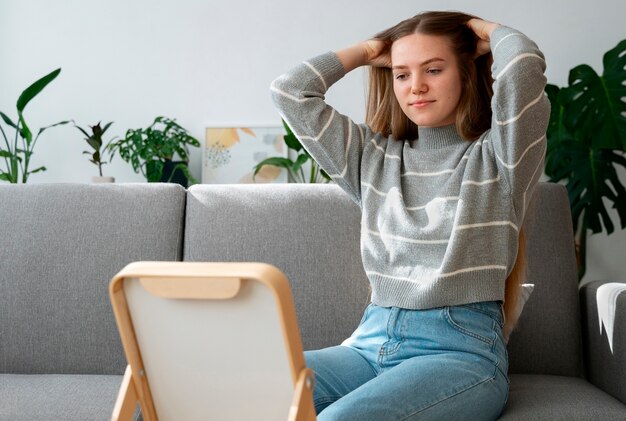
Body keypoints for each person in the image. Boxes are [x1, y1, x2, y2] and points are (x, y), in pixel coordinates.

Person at [271, 10, 549, 421]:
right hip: (367, 345)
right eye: (401, 74)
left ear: (467, 73)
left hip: (459, 354)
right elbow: (290, 91)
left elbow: (524, 66)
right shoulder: (371, 160)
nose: (416, 86)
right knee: (238, 389)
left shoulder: (500, 158)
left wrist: (484, 31)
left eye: (434, 69)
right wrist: (368, 51)